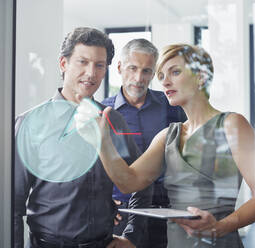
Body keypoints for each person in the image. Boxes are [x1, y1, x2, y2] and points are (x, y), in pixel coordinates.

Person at [76, 43, 255, 247]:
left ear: (201, 77)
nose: (165, 82)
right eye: (161, 76)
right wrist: (102, 143)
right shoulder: (167, 135)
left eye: (175, 72)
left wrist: (219, 227)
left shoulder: (233, 124)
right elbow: (128, 182)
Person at [14, 27, 152, 248]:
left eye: (99, 65)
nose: (91, 73)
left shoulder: (113, 121)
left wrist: (132, 235)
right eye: (82, 62)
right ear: (63, 64)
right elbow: (12, 205)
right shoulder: (30, 124)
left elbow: (142, 182)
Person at [102, 38, 186, 248]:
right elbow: (93, 166)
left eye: (147, 71)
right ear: (120, 67)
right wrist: (101, 202)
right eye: (132, 68)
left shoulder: (172, 107)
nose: (139, 78)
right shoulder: (103, 112)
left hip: (164, 212)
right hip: (120, 214)